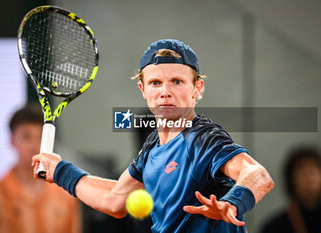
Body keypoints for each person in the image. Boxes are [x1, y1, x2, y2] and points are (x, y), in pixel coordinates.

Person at [32, 39, 274, 233]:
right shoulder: (152, 146)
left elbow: (258, 175)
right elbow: (115, 199)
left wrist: (232, 202)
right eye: (156, 83)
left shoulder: (202, 138)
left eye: (177, 82)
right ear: (143, 89)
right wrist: (59, 171)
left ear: (196, 89)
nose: (165, 92)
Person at [0, 105, 80, 233]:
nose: (34, 145)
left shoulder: (66, 196)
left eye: (41, 137)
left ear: (52, 141)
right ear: (12, 141)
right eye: (26, 136)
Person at [261, 146, 321, 233]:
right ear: (291, 180)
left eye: (313, 170)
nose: (309, 177)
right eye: (302, 170)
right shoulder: (275, 227)